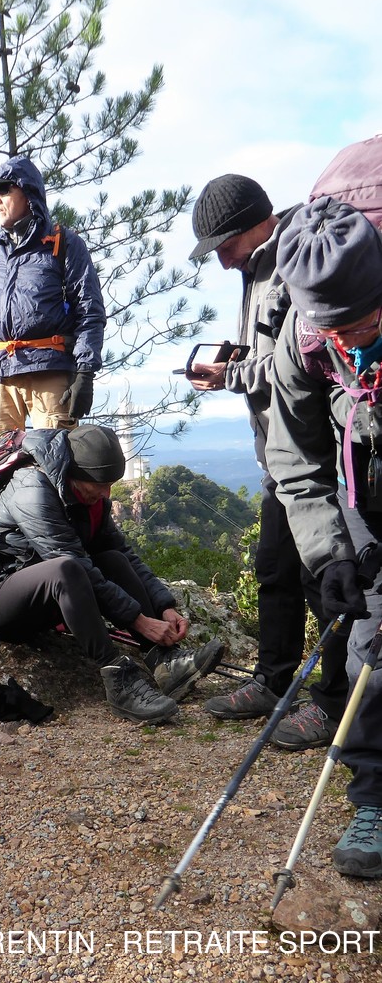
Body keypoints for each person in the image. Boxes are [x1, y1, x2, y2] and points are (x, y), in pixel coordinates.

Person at [187, 173, 349, 749]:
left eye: (225, 245)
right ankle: (273, 680)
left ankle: (334, 702)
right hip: (277, 451)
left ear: (256, 224)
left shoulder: (292, 261)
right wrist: (239, 358)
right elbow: (270, 351)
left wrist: (230, 374)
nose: (221, 260)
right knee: (275, 570)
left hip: (315, 454)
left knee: (324, 578)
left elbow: (299, 363)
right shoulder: (255, 267)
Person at [0, 424, 224, 724]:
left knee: (113, 559)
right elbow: (72, 564)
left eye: (110, 484)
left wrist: (164, 606)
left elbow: (123, 554)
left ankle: (164, 661)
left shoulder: (86, 495)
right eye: (100, 484)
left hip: (44, 600)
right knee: (66, 568)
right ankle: (119, 681)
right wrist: (139, 621)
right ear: (75, 471)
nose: (105, 493)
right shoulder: (32, 490)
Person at [266, 196, 382, 877]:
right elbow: (293, 455)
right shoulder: (303, 334)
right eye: (331, 330)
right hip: (362, 484)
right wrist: (330, 553)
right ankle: (374, 799)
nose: (346, 342)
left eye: (360, 325)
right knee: (371, 645)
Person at [0, 156, 106, 450]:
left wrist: (85, 372)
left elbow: (89, 311)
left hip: (49, 369)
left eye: (4, 190)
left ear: (28, 193)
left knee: (54, 462)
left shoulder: (63, 244)